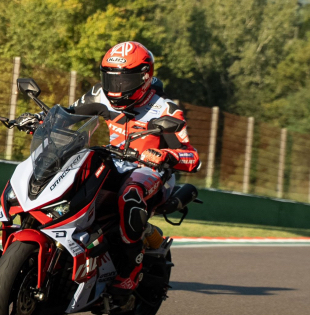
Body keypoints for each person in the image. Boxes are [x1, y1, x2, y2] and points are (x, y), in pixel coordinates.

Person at [17, 42, 200, 295]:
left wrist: (164, 155)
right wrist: (41, 120)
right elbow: (68, 115)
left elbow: (193, 158)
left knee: (130, 194)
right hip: (114, 161)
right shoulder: (99, 94)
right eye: (111, 79)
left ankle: (130, 272)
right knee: (73, 173)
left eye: (124, 80)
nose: (116, 87)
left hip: (150, 171)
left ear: (145, 78)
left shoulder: (166, 109)